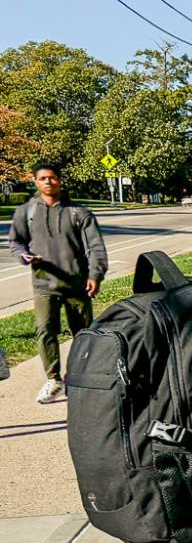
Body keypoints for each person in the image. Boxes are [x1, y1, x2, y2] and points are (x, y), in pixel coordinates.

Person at [9, 161, 106, 404]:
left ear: (60, 180)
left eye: (52, 178)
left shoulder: (78, 213)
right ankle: (54, 380)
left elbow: (95, 247)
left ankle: (80, 378)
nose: (48, 182)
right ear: (35, 181)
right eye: (43, 178)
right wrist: (24, 255)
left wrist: (95, 274)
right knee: (45, 331)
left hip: (77, 284)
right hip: (44, 284)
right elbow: (16, 242)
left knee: (83, 334)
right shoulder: (26, 212)